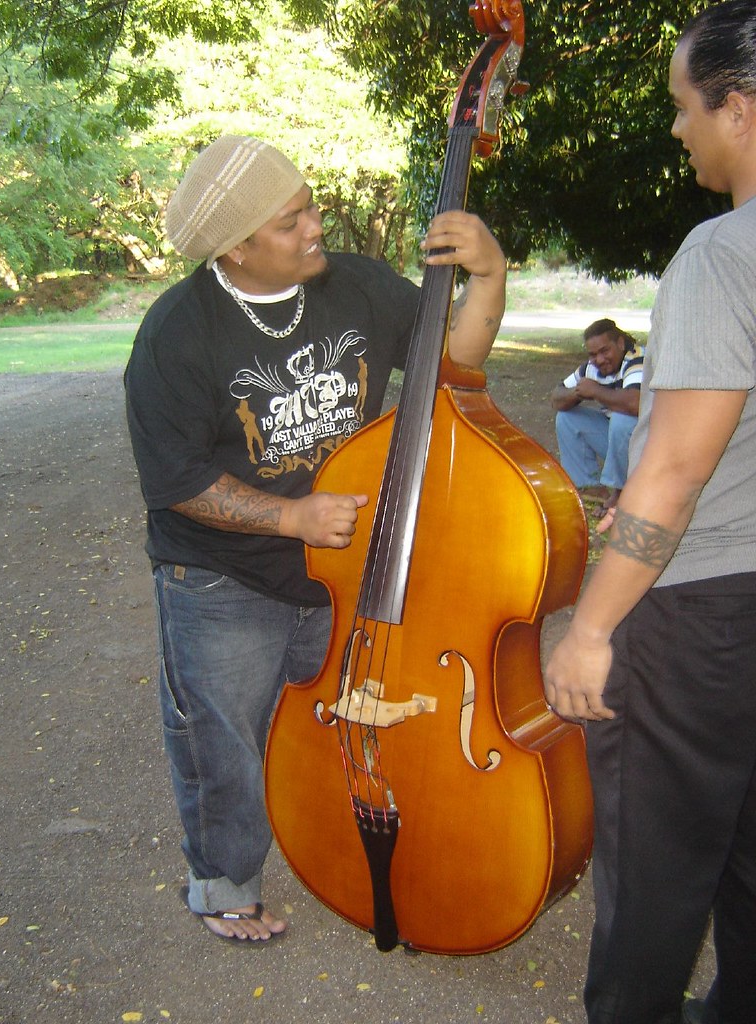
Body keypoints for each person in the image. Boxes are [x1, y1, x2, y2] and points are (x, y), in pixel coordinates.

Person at [124, 134, 507, 943]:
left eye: (309, 205)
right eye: (292, 219)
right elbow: (178, 480)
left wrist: (490, 278)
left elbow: (453, 374)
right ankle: (221, 881)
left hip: (346, 569)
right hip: (223, 575)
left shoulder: (356, 285)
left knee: (342, 722)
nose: (315, 225)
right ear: (237, 247)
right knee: (223, 734)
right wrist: (290, 516)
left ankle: (330, 845)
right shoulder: (175, 336)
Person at [544, 2, 756, 1021]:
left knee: (655, 879)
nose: (679, 130)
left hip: (700, 616)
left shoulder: (723, 255)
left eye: (684, 107)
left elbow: (669, 475)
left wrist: (590, 627)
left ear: (740, 109)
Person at [551, 318, 644, 514]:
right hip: (618, 441)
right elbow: (556, 398)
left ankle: (621, 494)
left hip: (648, 446)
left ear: (620, 343)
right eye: (593, 354)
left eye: (605, 351)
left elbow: (634, 404)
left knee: (621, 419)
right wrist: (578, 391)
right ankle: (589, 489)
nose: (599, 359)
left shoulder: (637, 358)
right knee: (567, 417)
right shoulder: (591, 368)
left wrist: (594, 390)